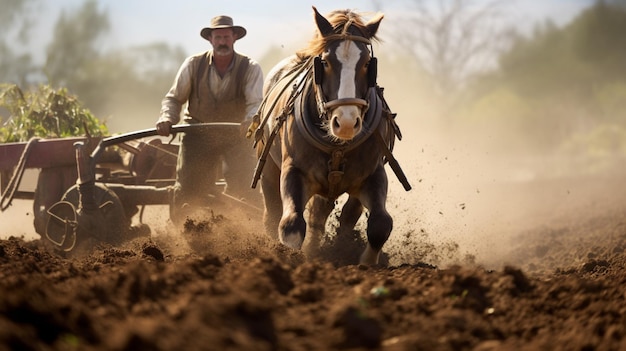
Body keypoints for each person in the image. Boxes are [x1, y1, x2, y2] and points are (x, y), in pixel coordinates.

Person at [156, 15, 263, 222]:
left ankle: (252, 231)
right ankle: (182, 230)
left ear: (234, 38)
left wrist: (251, 121)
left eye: (226, 36)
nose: (222, 41)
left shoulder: (250, 67)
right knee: (188, 185)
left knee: (246, 183)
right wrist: (167, 118)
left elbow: (255, 105)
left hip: (236, 134)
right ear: (210, 40)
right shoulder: (193, 64)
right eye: (218, 37)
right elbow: (174, 98)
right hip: (197, 132)